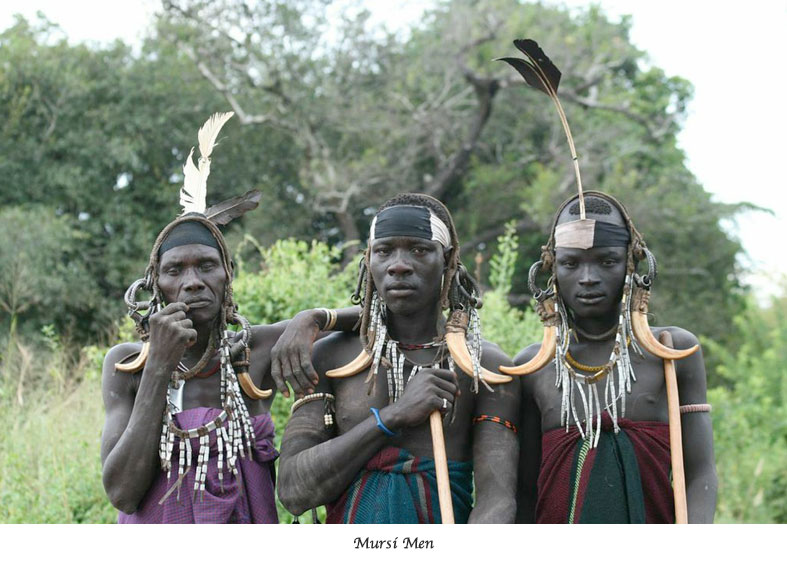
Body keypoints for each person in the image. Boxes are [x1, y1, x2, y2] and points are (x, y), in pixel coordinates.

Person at [100, 112, 356, 523]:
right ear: (155, 283)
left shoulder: (255, 351)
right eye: (175, 271)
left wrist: (314, 318)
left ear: (228, 275)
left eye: (206, 266)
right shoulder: (128, 364)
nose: (192, 282)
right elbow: (122, 492)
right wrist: (160, 366)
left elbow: (377, 318)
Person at [277, 193, 520, 524]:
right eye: (384, 250)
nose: (399, 264)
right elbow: (293, 492)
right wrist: (391, 418)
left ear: (448, 260)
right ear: (368, 260)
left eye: (419, 250)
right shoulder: (331, 355)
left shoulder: (483, 367)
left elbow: (498, 501)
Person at [510, 191, 717, 523]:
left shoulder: (670, 351)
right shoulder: (534, 365)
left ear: (632, 265)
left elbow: (700, 474)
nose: (588, 277)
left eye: (607, 261)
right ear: (550, 271)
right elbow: (525, 491)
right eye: (571, 263)